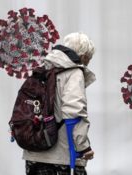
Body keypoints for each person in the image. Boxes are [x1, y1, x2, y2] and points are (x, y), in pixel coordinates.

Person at [23, 32, 96, 175]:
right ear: (83, 55)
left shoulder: (43, 69)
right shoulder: (74, 72)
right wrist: (84, 147)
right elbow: (74, 113)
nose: (88, 62)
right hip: (62, 158)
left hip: (33, 152)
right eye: (89, 57)